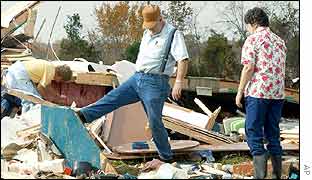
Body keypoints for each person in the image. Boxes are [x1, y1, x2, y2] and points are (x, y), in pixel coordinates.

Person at [76, 4, 189, 162]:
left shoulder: (173, 34)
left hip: (156, 83)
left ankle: (166, 157)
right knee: (113, 98)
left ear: (160, 19)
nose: (150, 29)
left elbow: (183, 59)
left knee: (154, 120)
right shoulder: (146, 33)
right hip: (137, 78)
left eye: (152, 25)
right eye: (147, 25)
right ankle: (83, 116)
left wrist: (178, 82)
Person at [235, 7, 287, 179]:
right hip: (277, 93)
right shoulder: (280, 41)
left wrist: (240, 91)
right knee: (273, 133)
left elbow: (249, 67)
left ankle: (260, 172)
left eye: (248, 26)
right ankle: (276, 175)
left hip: (258, 92)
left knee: (253, 130)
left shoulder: (253, 39)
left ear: (253, 23)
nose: (248, 29)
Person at [1, 59, 73, 117]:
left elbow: (47, 86)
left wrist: (56, 95)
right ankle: (27, 120)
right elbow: (40, 88)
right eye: (60, 80)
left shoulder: (50, 66)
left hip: (14, 71)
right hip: (20, 74)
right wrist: (44, 99)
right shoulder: (51, 72)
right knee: (31, 99)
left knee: (27, 96)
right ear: (60, 76)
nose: (58, 81)